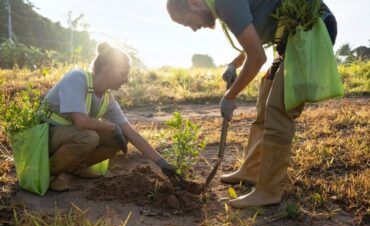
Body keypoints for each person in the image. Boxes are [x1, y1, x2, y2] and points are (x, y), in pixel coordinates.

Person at [167, 0, 337, 208]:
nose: (193, 29)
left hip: (310, 31)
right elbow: (254, 40)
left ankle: (269, 191)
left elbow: (257, 57)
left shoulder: (225, 3)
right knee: (264, 107)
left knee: (278, 111)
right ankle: (252, 171)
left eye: (187, 22)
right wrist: (234, 63)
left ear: (192, 2)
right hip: (288, 39)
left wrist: (230, 96)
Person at [42, 42, 177, 191]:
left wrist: (162, 164)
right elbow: (81, 122)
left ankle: (76, 166)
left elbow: (131, 133)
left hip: (69, 136)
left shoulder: (107, 99)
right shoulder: (77, 78)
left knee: (120, 138)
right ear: (107, 70)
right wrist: (111, 126)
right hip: (45, 134)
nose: (126, 80)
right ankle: (48, 173)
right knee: (89, 137)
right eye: (123, 73)